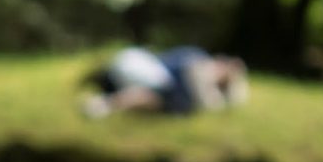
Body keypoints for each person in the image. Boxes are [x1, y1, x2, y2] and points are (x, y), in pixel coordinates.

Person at [79, 45, 251, 119]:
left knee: (153, 98)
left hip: (139, 84)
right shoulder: (197, 58)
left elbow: (236, 99)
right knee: (157, 87)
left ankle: (104, 101)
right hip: (137, 70)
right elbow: (196, 77)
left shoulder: (203, 92)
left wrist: (234, 79)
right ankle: (103, 100)